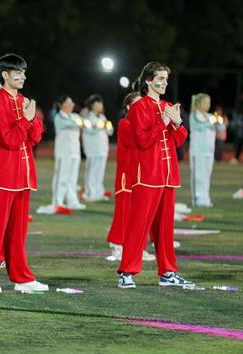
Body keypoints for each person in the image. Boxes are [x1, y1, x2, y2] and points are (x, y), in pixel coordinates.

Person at [0, 54, 48, 294]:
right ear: (5, 75)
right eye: (18, 72)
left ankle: (22, 277)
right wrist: (26, 120)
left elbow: (35, 138)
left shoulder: (23, 100)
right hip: (3, 176)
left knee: (18, 232)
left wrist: (31, 120)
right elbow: (9, 139)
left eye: (24, 72)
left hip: (22, 176)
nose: (23, 76)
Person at [118, 62, 194, 290]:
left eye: (166, 79)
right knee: (138, 226)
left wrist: (177, 122)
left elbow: (179, 141)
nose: (164, 82)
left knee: (165, 228)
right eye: (160, 78)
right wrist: (163, 122)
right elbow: (142, 140)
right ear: (148, 81)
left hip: (168, 175)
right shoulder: (139, 107)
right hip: (147, 176)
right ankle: (127, 273)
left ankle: (168, 272)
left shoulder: (168, 106)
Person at [107, 92, 140, 261]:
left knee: (135, 212)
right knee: (123, 210)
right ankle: (116, 243)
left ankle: (132, 246)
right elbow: (137, 140)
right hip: (126, 175)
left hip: (138, 175)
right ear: (128, 107)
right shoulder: (124, 123)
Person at [44, 95, 85, 213]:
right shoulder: (59, 117)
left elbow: (82, 124)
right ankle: (58, 202)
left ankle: (72, 201)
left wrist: (79, 122)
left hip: (75, 152)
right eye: (69, 102)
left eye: (72, 102)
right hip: (63, 153)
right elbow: (71, 124)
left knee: (73, 179)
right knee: (61, 178)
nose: (72, 104)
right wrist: (78, 123)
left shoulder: (75, 116)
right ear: (62, 105)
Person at [82, 94, 114, 202]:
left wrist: (107, 126)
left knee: (100, 172)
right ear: (92, 105)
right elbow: (88, 130)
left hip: (102, 149)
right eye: (98, 103)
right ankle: (90, 193)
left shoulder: (102, 117)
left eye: (101, 103)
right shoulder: (88, 117)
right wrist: (99, 126)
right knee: (92, 171)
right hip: (92, 149)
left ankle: (99, 192)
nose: (100, 105)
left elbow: (110, 131)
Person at [189, 93, 218, 208]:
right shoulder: (195, 115)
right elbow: (200, 126)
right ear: (199, 103)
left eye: (209, 102)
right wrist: (212, 122)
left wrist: (221, 123)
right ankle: (198, 198)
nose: (208, 105)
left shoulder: (209, 116)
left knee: (206, 175)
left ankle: (205, 197)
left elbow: (216, 128)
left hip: (209, 151)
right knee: (199, 175)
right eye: (205, 102)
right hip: (198, 151)